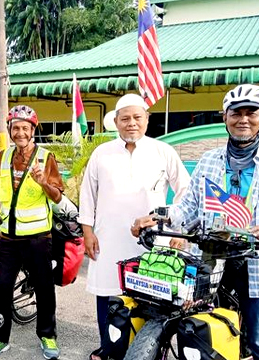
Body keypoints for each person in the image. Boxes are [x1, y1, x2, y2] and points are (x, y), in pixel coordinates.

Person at [132, 84, 259, 360]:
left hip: (258, 261)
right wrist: (157, 217)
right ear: (224, 117)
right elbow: (189, 208)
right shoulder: (209, 160)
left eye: (252, 112)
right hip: (211, 259)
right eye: (236, 113)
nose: (243, 119)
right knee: (192, 328)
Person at [78, 94, 191, 360]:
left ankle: (148, 350)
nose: (131, 124)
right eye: (125, 118)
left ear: (147, 120)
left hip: (154, 242)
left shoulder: (163, 151)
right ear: (116, 122)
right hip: (108, 239)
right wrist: (87, 232)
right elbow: (87, 195)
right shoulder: (101, 153)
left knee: (152, 300)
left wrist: (179, 229)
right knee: (107, 296)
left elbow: (186, 192)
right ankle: (109, 347)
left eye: (137, 117)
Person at [0, 105, 63, 360]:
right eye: (15, 128)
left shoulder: (45, 157)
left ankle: (47, 335)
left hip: (39, 237)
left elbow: (58, 196)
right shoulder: (5, 157)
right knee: (3, 289)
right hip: (8, 237)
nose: (20, 133)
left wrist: (43, 183)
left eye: (25, 128)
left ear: (32, 130)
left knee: (44, 288)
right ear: (11, 130)